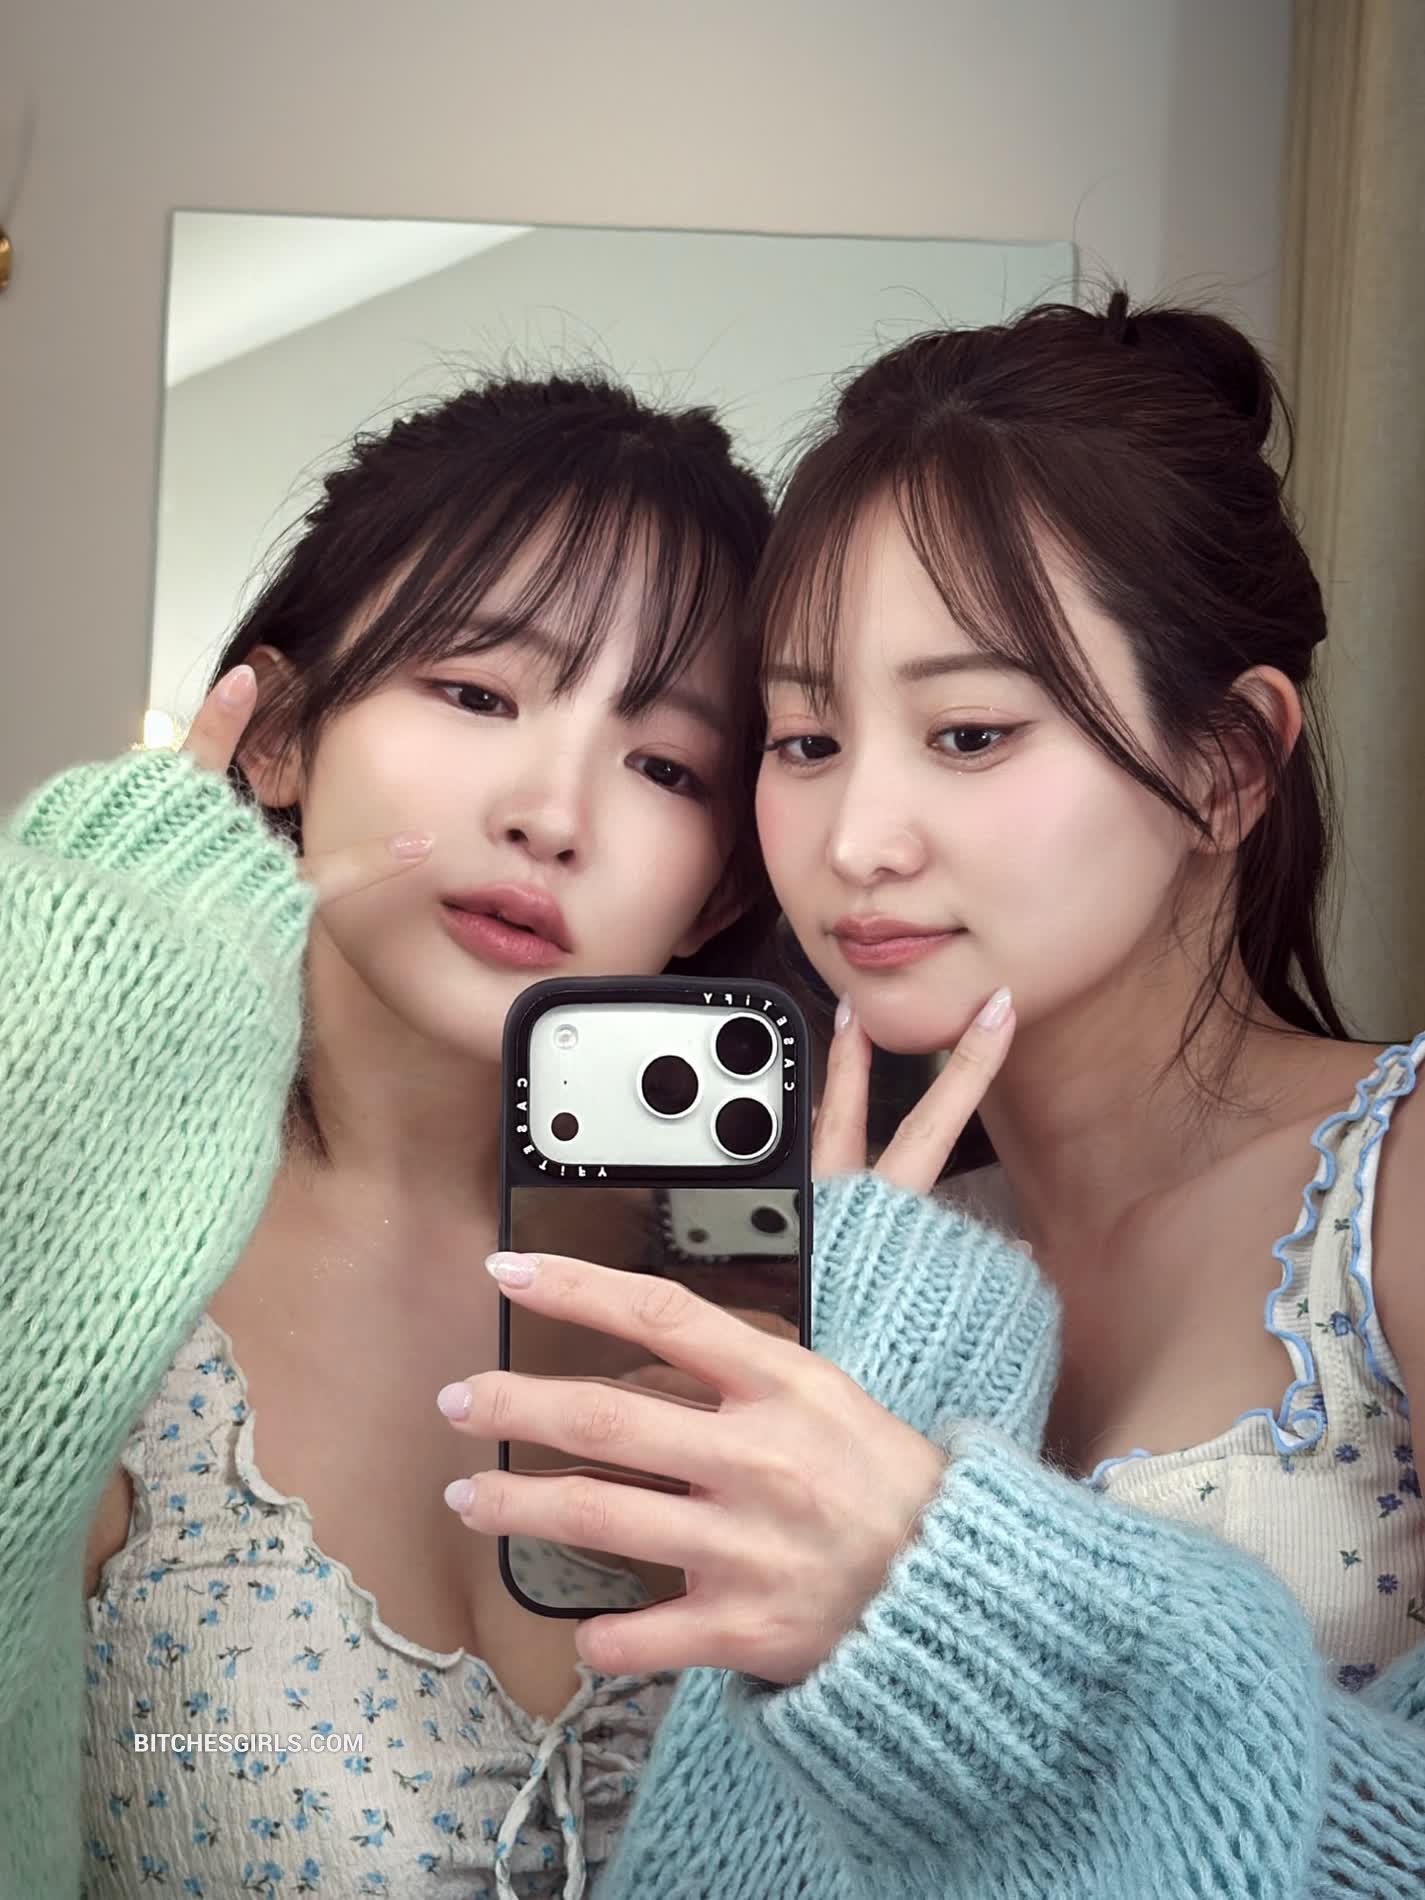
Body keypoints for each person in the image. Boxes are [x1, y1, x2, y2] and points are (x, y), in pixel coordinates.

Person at [440, 295, 1425, 1896]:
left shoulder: (1393, 1184)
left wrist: (931, 1594)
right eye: (803, 739)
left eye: (968, 732)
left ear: (1229, 763)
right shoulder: (846, 1248)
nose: (855, 840)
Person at [0, 372, 777, 1899]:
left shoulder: (756, 1302)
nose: (553, 812)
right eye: (478, 693)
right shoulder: (87, 1219)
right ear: (284, 736)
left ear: (721, 891)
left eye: (665, 766)